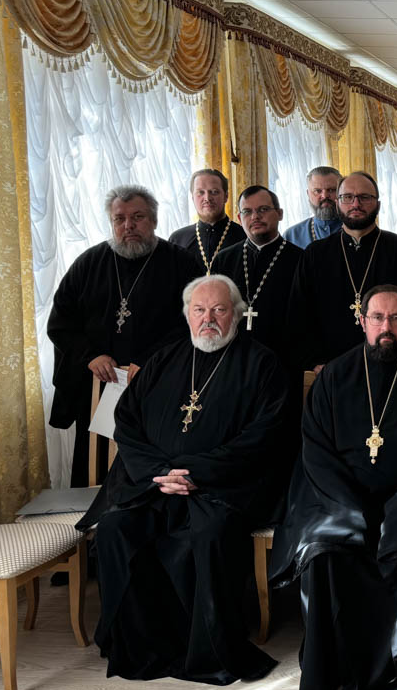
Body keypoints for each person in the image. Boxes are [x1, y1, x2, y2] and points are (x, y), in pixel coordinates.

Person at [76, 275, 289, 685]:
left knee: (206, 535)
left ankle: (205, 648)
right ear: (187, 315)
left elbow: (265, 436)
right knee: (117, 529)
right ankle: (141, 646)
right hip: (154, 484)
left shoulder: (262, 364)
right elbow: (127, 422)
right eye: (199, 310)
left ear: (236, 315)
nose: (208, 319)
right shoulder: (164, 360)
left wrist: (196, 474)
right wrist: (158, 473)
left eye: (219, 310)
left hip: (223, 488)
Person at [270, 284, 397, 690]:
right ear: (362, 321)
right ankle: (333, 665)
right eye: (378, 318)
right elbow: (316, 452)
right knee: (324, 547)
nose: (386, 327)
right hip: (342, 502)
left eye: (396, 318)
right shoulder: (334, 376)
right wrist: (353, 509)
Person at [48, 185, 202, 486]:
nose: (128, 225)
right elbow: (60, 322)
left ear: (154, 220)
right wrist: (90, 356)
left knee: (150, 468)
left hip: (157, 383)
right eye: (119, 219)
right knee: (94, 468)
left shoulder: (181, 263)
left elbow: (195, 323)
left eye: (138, 217)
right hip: (99, 385)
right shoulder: (89, 263)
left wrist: (152, 361)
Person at [288, 171, 397, 371]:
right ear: (338, 203)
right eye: (347, 197)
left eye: (364, 197)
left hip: (393, 365)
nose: (356, 204)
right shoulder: (315, 254)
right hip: (329, 369)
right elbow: (299, 314)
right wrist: (313, 363)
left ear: (378, 205)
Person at [211, 185, 302, 364]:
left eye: (263, 209)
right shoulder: (224, 259)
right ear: (239, 218)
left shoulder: (300, 259)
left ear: (280, 214)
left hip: (283, 359)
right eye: (247, 211)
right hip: (232, 357)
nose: (255, 217)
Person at [168, 169, 246, 273]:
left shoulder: (244, 237)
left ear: (226, 196)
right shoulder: (177, 240)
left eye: (214, 192)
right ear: (193, 198)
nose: (207, 198)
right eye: (200, 192)